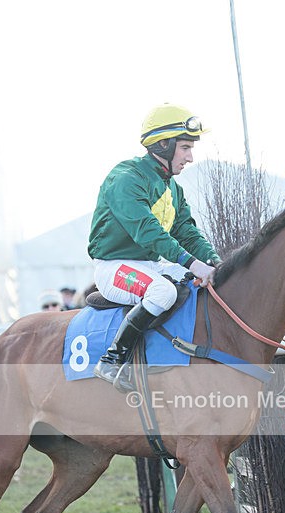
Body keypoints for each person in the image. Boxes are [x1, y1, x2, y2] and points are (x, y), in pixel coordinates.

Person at [88, 103, 221, 389]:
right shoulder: (126, 178)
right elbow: (147, 232)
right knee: (163, 291)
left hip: (151, 265)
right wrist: (191, 262)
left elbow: (187, 232)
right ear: (163, 144)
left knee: (200, 285)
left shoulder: (173, 188)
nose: (190, 157)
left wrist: (214, 262)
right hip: (114, 268)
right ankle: (112, 360)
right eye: (185, 148)